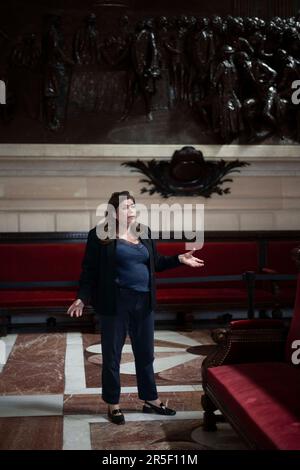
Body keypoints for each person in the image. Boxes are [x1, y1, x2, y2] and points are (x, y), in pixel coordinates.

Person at [67, 190, 204, 425]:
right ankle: (113, 404)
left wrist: (179, 259)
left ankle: (150, 399)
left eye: (132, 206)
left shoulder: (144, 232)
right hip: (115, 303)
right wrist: (81, 298)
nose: (131, 211)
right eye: (125, 207)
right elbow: (89, 271)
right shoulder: (99, 236)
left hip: (144, 302)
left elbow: (156, 262)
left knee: (146, 354)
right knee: (112, 356)